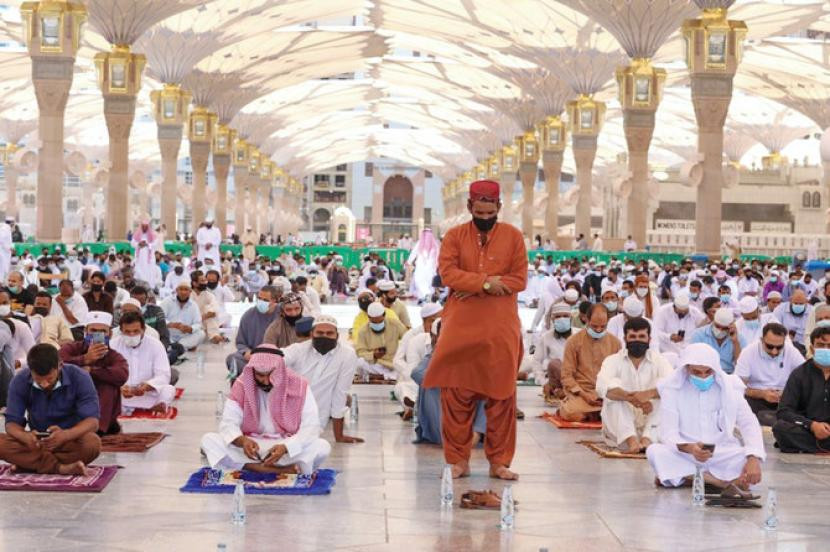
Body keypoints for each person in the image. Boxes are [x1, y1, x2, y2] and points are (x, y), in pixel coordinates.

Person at [423, 179, 527, 481]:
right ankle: (458, 460)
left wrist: (473, 285)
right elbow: (448, 274)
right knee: (456, 396)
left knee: (502, 399)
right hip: (461, 330)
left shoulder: (513, 237)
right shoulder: (455, 236)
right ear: (470, 207)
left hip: (499, 331)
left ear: (498, 208)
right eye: (479, 213)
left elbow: (519, 280)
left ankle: (499, 462)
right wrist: (485, 283)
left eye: (489, 213)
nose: (484, 219)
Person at [646, 343, 765, 495]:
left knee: (746, 457)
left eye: (708, 372)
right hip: (686, 453)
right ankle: (719, 483)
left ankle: (687, 477)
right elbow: (669, 434)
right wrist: (691, 448)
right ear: (687, 368)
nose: (703, 376)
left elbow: (749, 423)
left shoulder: (730, 388)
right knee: (655, 451)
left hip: (722, 453)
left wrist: (753, 458)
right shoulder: (672, 389)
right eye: (697, 372)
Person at [201, 345, 331, 474]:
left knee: (322, 447)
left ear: (280, 370)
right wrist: (242, 441)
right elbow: (228, 422)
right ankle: (272, 469)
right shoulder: (242, 385)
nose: (265, 381)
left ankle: (251, 467)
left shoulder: (300, 385)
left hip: (285, 445)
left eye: (270, 375)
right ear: (252, 372)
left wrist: (286, 447)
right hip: (253, 446)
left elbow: (311, 426)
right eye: (260, 375)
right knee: (209, 440)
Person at [0, 344, 101, 475]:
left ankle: (29, 463)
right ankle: (61, 468)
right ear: (30, 370)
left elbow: (92, 422)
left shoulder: (80, 377)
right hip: (36, 443)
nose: (44, 384)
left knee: (92, 444)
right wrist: (25, 436)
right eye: (38, 380)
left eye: (49, 379)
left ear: (60, 365)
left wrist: (66, 435)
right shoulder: (19, 381)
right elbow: (11, 424)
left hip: (70, 440)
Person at [596, 317, 673, 453]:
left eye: (642, 336)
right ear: (625, 339)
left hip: (653, 426)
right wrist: (632, 399)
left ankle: (646, 442)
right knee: (613, 390)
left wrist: (647, 394)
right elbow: (602, 388)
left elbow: (673, 387)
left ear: (649, 339)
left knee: (665, 392)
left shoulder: (660, 361)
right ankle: (632, 442)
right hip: (619, 431)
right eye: (632, 336)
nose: (637, 340)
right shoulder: (612, 360)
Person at [282, 315, 363, 443]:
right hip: (284, 413)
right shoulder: (298, 349)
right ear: (311, 334)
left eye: (329, 333)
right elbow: (276, 358)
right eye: (320, 333)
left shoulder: (347, 355)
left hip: (315, 419)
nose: (324, 336)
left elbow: (340, 393)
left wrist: (339, 436)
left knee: (318, 448)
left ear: (337, 335)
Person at [413, 321, 486, 445]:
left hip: (467, 419)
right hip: (440, 423)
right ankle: (446, 435)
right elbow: (416, 373)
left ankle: (476, 434)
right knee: (428, 383)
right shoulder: (433, 358)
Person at [58, 312, 129, 435]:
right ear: (85, 331)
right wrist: (84, 359)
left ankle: (98, 429)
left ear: (110, 334)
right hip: (73, 399)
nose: (97, 335)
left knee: (108, 385)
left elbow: (122, 375)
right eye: (93, 330)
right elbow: (57, 364)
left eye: (102, 331)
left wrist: (92, 371)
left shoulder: (114, 356)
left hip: (101, 404)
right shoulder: (71, 348)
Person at [558, 304, 622, 422]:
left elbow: (620, 374)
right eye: (594, 326)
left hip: (607, 394)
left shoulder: (616, 343)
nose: (598, 330)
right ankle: (593, 413)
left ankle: (596, 414)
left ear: (608, 322)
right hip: (581, 392)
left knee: (627, 413)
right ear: (586, 320)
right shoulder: (573, 341)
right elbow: (566, 376)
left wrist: (609, 393)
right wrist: (583, 395)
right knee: (575, 415)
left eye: (603, 326)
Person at [772, 326, 830, 453]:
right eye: (820, 345)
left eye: (829, 346)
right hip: (808, 429)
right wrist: (812, 425)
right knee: (780, 428)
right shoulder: (800, 374)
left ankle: (812, 446)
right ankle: (823, 446)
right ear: (812, 348)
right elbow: (783, 411)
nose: (826, 349)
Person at [734, 322, 804, 427]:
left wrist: (786, 393)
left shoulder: (791, 351)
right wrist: (762, 394)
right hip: (756, 398)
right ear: (762, 340)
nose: (774, 352)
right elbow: (739, 387)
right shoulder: (748, 352)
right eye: (770, 346)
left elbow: (805, 379)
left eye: (779, 347)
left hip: (785, 398)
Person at [110, 311, 174, 414]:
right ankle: (123, 408)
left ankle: (158, 406)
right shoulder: (113, 345)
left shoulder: (155, 345)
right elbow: (107, 374)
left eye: (136, 331)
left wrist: (147, 386)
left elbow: (163, 375)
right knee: (105, 392)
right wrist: (120, 388)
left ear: (143, 330)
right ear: (121, 331)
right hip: (122, 394)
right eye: (127, 331)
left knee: (168, 389)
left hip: (148, 394)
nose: (132, 335)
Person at [392, 303, 443, 417]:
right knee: (403, 387)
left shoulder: (446, 335)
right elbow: (398, 361)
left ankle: (415, 407)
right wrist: (415, 375)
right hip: (414, 376)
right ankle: (413, 406)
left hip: (439, 380)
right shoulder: (413, 337)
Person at [226, 286, 282, 377]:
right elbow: (240, 342)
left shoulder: (282, 314)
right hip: (254, 357)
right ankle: (258, 376)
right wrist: (246, 352)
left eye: (265, 300)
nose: (261, 302)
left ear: (275, 301)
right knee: (232, 359)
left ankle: (256, 376)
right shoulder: (248, 315)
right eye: (259, 298)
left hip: (276, 357)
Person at [355, 302, 407, 381]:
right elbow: (360, 352)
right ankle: (387, 376)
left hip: (394, 363)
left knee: (407, 368)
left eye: (379, 322)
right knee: (359, 362)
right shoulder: (363, 330)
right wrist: (373, 355)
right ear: (369, 317)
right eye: (374, 322)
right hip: (377, 364)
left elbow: (407, 338)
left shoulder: (395, 324)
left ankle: (379, 377)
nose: (377, 324)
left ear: (384, 315)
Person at [691, 307, 745, 375]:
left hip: (728, 375)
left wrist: (735, 342)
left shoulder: (739, 338)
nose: (720, 330)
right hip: (706, 374)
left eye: (725, 328)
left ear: (732, 325)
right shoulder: (699, 335)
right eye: (717, 326)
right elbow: (692, 360)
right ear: (713, 321)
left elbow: (741, 364)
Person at [160, 281, 205, 351]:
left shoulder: (193, 305)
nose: (183, 292)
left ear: (190, 292)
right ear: (176, 291)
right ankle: (183, 347)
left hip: (185, 336)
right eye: (181, 289)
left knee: (201, 334)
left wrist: (190, 328)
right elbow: (160, 318)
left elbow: (198, 323)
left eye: (186, 290)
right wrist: (170, 324)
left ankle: (178, 346)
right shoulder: (167, 301)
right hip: (169, 335)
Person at [190, 271, 225, 344]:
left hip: (204, 321)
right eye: (202, 281)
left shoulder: (208, 295)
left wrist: (202, 317)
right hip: (191, 323)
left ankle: (214, 336)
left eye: (205, 280)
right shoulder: (188, 295)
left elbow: (214, 310)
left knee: (209, 309)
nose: (206, 283)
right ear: (194, 283)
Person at [406, 228, 440, 301]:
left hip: (422, 270)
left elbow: (413, 253)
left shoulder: (420, 243)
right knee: (429, 284)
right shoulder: (435, 245)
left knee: (422, 283)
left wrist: (408, 262)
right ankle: (428, 297)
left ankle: (426, 297)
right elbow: (438, 258)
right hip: (430, 270)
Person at [131, 220, 157, 288]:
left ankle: (149, 286)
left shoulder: (152, 235)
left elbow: (155, 244)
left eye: (146, 226)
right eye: (143, 226)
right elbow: (132, 243)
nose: (144, 228)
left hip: (149, 258)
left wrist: (147, 244)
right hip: (139, 258)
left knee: (149, 272)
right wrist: (139, 244)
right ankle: (139, 286)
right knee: (139, 271)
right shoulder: (137, 234)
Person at [0, 216, 12, 282]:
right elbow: (1, 238)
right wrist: (7, 248)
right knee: (2, 269)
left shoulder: (5, 227)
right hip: (3, 252)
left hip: (4, 252)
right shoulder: (6, 228)